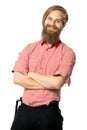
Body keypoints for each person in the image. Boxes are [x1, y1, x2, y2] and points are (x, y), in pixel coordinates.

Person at [10, 5, 76, 130]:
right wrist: (49, 82)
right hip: (24, 112)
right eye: (50, 19)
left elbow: (57, 84)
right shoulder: (29, 48)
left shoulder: (67, 53)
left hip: (49, 114)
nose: (52, 24)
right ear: (44, 20)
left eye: (58, 21)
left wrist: (30, 74)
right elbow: (17, 78)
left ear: (63, 25)